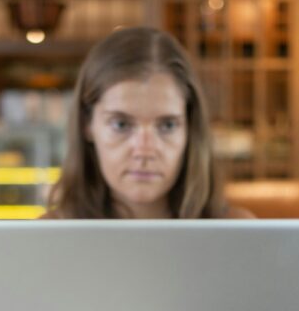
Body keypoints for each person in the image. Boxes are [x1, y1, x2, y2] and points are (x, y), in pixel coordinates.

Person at [44, 27, 252, 219]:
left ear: (190, 129)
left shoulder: (241, 234)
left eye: (167, 125)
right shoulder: (45, 240)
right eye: (121, 125)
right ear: (87, 125)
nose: (144, 150)